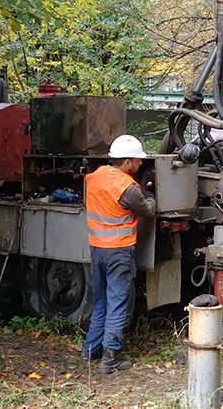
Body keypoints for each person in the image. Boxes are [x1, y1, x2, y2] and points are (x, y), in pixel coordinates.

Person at [81, 134, 156, 374]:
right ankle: (110, 358)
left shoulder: (93, 177)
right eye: (137, 160)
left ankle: (90, 350)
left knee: (100, 300)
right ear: (126, 163)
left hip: (97, 249)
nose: (141, 164)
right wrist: (151, 193)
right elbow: (148, 212)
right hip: (118, 252)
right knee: (118, 303)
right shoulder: (128, 188)